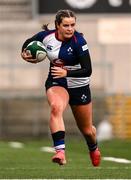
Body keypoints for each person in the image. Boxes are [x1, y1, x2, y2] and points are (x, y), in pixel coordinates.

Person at [21, 9, 101, 166]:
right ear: (57, 25)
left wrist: (66, 72)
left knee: (87, 130)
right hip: (58, 81)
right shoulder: (46, 37)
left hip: (79, 85)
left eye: (72, 25)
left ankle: (93, 147)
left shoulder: (79, 42)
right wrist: (24, 54)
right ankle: (60, 152)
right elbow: (27, 43)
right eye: (66, 25)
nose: (70, 29)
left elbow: (88, 69)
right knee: (56, 108)